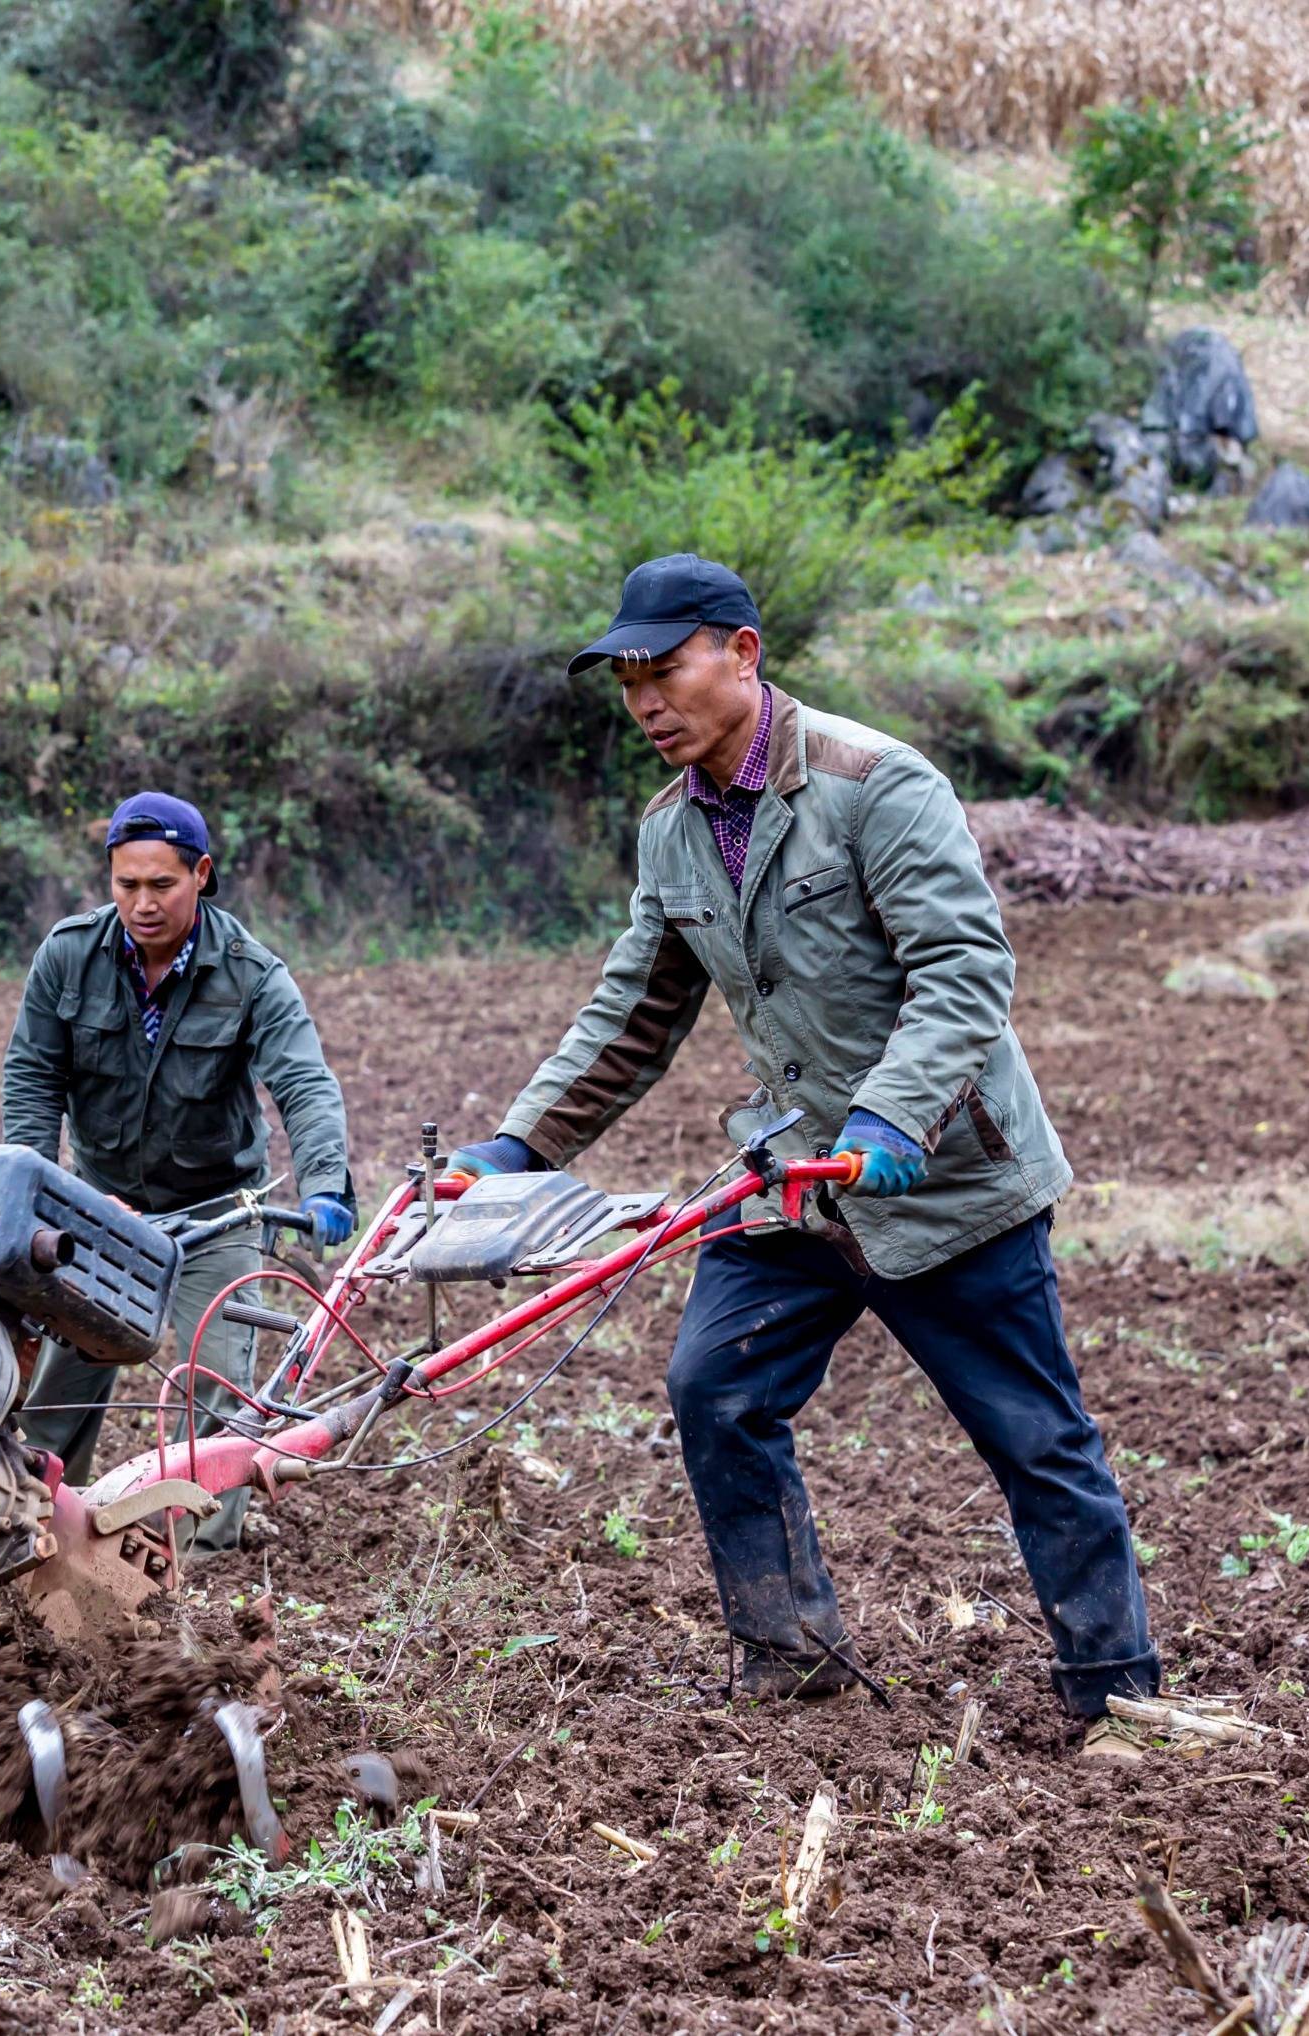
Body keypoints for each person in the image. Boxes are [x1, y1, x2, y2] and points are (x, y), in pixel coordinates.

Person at [453, 553, 1158, 1755]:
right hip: (792, 1185)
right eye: (626, 684)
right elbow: (632, 1011)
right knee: (714, 1387)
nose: (646, 705)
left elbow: (964, 973)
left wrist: (892, 1116)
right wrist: (518, 1144)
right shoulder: (671, 832)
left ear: (743, 651)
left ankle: (1118, 1690)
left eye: (664, 670)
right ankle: (792, 1655)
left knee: (1035, 1437)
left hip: (945, 1180)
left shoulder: (876, 783)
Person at [2, 792, 356, 1554]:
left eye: (161, 885)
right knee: (60, 1388)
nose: (142, 903)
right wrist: (34, 1193)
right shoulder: (68, 957)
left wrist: (325, 1181)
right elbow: (33, 1077)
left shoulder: (250, 974)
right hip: (101, 1209)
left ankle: (198, 1562)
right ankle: (35, 1533)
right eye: (126, 884)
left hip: (216, 1207)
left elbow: (302, 1080)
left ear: (201, 874)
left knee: (214, 1387)